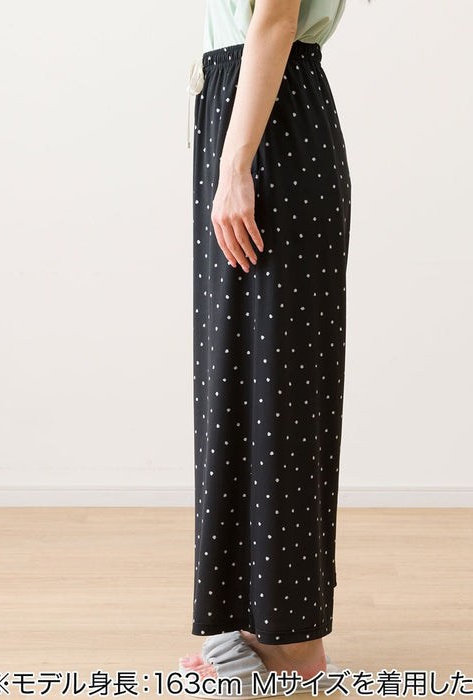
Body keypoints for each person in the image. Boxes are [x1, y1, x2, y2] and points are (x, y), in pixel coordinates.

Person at [181, 0, 351, 691]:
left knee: (278, 392)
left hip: (268, 131)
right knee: (250, 384)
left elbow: (276, 19)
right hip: (251, 118)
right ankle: (259, 624)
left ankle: (294, 646)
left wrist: (234, 167)